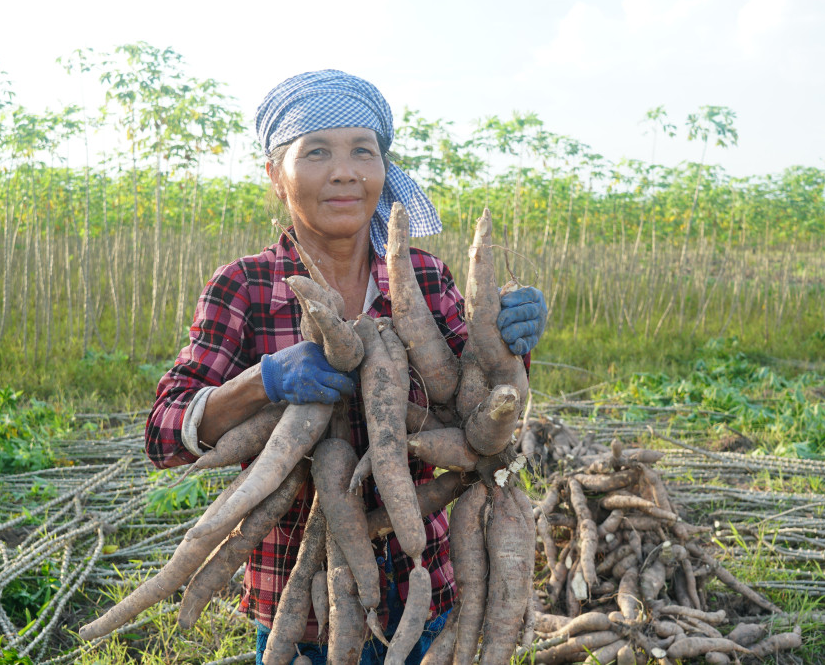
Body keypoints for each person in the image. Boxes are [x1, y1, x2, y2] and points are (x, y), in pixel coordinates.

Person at [145, 70, 548, 664]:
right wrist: (263, 381)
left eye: (363, 151)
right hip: (299, 609)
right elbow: (164, 434)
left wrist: (507, 344)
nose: (344, 171)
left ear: (383, 170)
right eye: (317, 152)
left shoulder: (425, 278)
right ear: (275, 175)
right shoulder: (245, 286)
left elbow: (483, 411)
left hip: (426, 583)